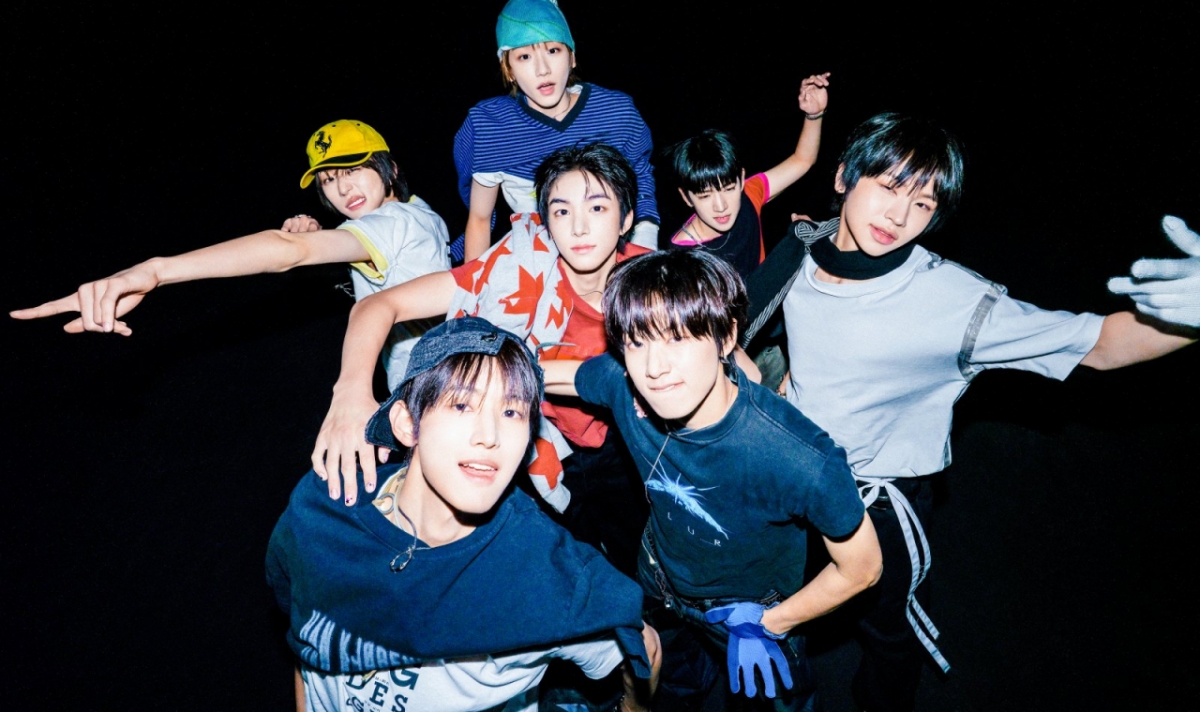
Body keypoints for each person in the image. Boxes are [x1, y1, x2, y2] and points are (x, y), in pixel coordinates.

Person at [742, 112, 1200, 712]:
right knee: (778, 602)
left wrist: (1192, 316)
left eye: (923, 203)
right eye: (888, 186)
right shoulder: (805, 247)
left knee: (888, 633)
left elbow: (1102, 346)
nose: (899, 215)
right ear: (844, 177)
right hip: (791, 474)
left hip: (875, 501)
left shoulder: (954, 301)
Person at [315, 143, 679, 579]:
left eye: (597, 207)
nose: (579, 227)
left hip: (630, 442)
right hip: (545, 444)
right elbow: (376, 306)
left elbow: (718, 360)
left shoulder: (657, 281)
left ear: (625, 219)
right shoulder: (515, 268)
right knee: (571, 562)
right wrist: (351, 394)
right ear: (546, 222)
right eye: (562, 211)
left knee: (646, 554)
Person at [540, 250, 882, 710]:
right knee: (675, 686)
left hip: (746, 610)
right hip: (659, 578)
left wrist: (772, 623)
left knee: (774, 703)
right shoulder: (627, 387)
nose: (654, 368)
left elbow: (863, 568)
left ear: (726, 337)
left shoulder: (796, 456)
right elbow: (566, 376)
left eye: (677, 338)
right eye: (637, 342)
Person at [266, 315, 661, 712]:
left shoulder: (545, 574)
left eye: (512, 412)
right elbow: (305, 631)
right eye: (461, 404)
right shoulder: (326, 511)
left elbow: (643, 649)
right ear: (407, 424)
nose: (489, 436)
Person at [10, 120, 450, 389]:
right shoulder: (418, 214)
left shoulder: (393, 222)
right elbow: (385, 270)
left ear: (390, 168)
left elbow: (288, 250)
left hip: (436, 389)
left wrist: (156, 271)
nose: (343, 188)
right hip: (442, 381)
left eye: (353, 169)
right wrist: (325, 247)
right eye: (329, 180)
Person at [452, 0, 659, 262]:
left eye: (553, 50)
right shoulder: (489, 126)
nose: (543, 69)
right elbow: (480, 218)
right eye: (524, 56)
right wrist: (472, 285)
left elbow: (641, 178)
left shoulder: (616, 112)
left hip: (613, 250)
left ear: (571, 57)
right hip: (535, 260)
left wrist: (645, 251)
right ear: (508, 69)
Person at [669, 73, 830, 283]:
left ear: (741, 179)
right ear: (686, 197)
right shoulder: (681, 260)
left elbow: (802, 160)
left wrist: (814, 115)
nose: (721, 206)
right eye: (705, 195)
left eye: (728, 188)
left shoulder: (749, 196)